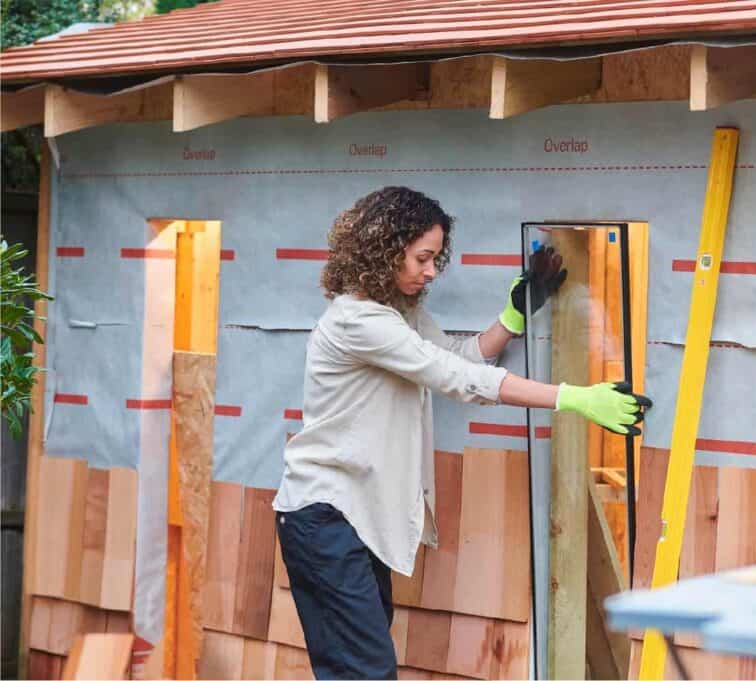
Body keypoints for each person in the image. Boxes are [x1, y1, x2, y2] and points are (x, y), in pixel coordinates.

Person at [272, 186, 651, 680]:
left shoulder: (397, 314)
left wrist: (514, 316)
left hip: (352, 515)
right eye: (422, 258)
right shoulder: (357, 321)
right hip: (324, 515)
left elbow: (458, 357)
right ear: (385, 250)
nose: (431, 271)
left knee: (357, 666)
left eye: (435, 258)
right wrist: (574, 398)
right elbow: (457, 379)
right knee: (364, 670)